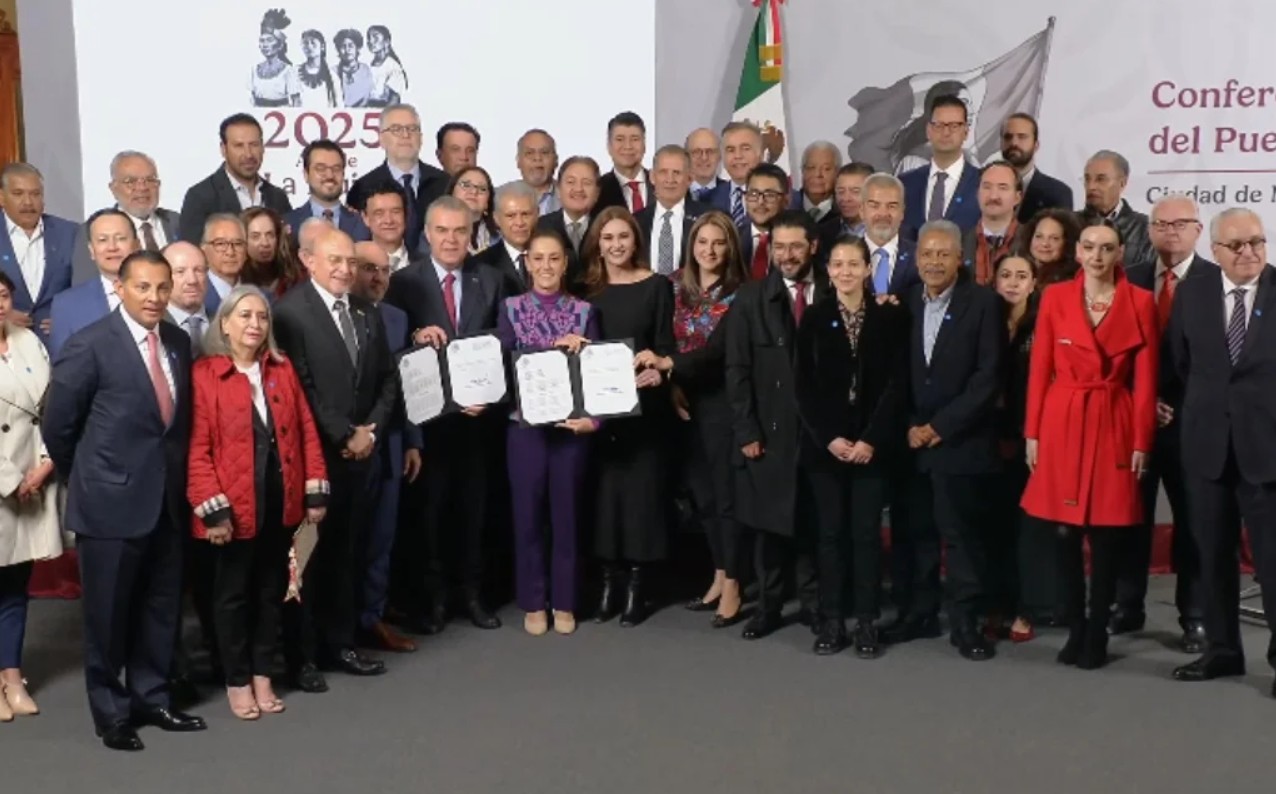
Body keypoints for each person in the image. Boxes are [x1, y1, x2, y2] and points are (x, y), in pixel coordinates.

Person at [43, 250, 205, 751]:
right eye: (143, 287)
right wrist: (90, 478)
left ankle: (152, 697)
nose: (155, 297)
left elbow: (175, 424)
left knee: (160, 610)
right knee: (108, 615)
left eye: (162, 287)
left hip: (166, 503)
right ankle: (111, 712)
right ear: (119, 288)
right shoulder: (89, 345)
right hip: (109, 504)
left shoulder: (177, 341)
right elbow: (58, 426)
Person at [1021, 219, 1158, 670]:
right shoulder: (1056, 297)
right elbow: (1040, 368)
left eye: (1107, 248)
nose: (1097, 256)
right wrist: (1033, 433)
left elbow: (1146, 381)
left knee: (1106, 533)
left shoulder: (1140, 301)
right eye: (1089, 247)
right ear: (1076, 252)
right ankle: (1074, 627)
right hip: (1062, 417)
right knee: (1062, 531)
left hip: (1113, 417)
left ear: (1120, 254)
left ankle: (1097, 628)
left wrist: (1142, 439)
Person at [187, 285, 329, 720]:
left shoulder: (280, 369)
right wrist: (213, 510)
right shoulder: (205, 374)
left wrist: (314, 490)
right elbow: (197, 450)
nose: (254, 324)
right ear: (224, 323)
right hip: (231, 508)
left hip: (281, 501)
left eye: (261, 317)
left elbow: (305, 430)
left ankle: (264, 674)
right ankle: (236, 680)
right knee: (231, 599)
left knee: (273, 593)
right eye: (244, 316)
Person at [272, 227, 397, 678]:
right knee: (305, 561)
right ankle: (302, 656)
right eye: (335, 261)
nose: (346, 270)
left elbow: (387, 378)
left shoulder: (366, 310)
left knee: (348, 555)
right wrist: (345, 434)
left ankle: (340, 645)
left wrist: (372, 432)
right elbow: (299, 387)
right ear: (309, 260)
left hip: (362, 457)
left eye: (351, 261)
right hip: (315, 459)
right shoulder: (289, 313)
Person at [384, 196, 506, 634]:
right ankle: (434, 599)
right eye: (443, 231)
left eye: (460, 231)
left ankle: (472, 595)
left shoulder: (491, 279)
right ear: (427, 234)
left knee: (475, 511)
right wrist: (417, 334)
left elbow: (504, 338)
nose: (452, 239)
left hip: (478, 421)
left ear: (471, 234)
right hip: (430, 423)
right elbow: (393, 345)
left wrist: (483, 384)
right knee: (430, 515)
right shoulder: (403, 282)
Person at [1166, 208, 1276, 692]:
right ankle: (1222, 652)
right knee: (1211, 557)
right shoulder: (1193, 292)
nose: (1249, 251)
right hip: (1208, 447)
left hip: (1268, 450)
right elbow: (1182, 363)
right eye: (1237, 245)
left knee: (1273, 564)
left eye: (1257, 241)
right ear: (1215, 251)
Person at [888, 220, 1003, 661]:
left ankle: (965, 623)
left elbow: (987, 378)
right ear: (916, 260)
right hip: (909, 442)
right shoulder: (904, 304)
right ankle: (916, 613)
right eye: (927, 255)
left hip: (960, 442)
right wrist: (908, 427)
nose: (934, 262)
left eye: (943, 254)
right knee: (912, 532)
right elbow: (894, 374)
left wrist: (939, 427)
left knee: (961, 537)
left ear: (960, 258)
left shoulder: (983, 304)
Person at [795, 235, 909, 658]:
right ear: (828, 270)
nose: (845, 271)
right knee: (829, 536)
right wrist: (829, 439)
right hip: (827, 449)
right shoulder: (814, 317)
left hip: (871, 447)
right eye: (837, 264)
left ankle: (865, 621)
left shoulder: (889, 318)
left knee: (864, 536)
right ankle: (831, 620)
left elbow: (897, 385)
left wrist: (870, 440)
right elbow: (802, 387)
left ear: (867, 269)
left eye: (853, 264)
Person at [635, 211, 747, 627]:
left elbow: (718, 352)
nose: (710, 250)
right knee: (702, 497)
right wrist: (671, 383)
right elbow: (663, 338)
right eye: (703, 242)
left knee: (725, 497)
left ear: (730, 247)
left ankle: (735, 582)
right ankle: (719, 574)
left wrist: (670, 365)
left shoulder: (740, 293)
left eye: (718, 243)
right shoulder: (675, 286)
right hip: (681, 402)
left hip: (720, 404)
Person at [725, 210, 829, 640]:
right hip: (767, 434)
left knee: (814, 524)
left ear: (813, 247)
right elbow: (737, 370)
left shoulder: (833, 291)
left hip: (820, 435)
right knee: (768, 528)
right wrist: (747, 432)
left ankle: (814, 605)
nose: (787, 255)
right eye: (779, 247)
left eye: (795, 246)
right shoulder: (751, 299)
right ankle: (767, 607)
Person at [1117, 196, 1215, 648]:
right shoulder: (1131, 279)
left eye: (1180, 224)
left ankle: (1194, 615)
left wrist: (1182, 402)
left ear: (1198, 230)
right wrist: (1143, 399)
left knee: (1194, 524)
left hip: (1193, 426)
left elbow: (1225, 362)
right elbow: (1116, 352)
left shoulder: (1218, 282)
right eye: (1161, 224)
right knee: (1129, 520)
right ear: (1150, 230)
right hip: (1135, 422)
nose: (1170, 232)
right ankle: (1127, 605)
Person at [496, 229, 599, 635]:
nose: (545, 266)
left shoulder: (584, 311)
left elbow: (597, 377)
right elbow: (503, 363)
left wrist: (596, 422)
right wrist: (552, 349)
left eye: (554, 258)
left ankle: (566, 601)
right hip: (525, 428)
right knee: (527, 517)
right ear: (526, 263)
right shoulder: (510, 308)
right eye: (537, 258)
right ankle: (534, 600)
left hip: (570, 431)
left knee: (567, 517)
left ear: (566, 262)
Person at [580, 206, 674, 627]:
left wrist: (658, 369)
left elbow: (665, 343)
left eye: (623, 236)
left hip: (644, 410)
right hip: (598, 416)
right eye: (607, 238)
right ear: (597, 244)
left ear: (635, 240)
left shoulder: (657, 286)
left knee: (640, 500)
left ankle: (638, 585)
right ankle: (607, 584)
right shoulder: (584, 292)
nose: (616, 245)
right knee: (603, 499)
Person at [0, 271, 59, 722]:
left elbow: (50, 407)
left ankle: (13, 675)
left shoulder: (28, 341)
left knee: (16, 588)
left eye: (3, 295)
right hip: (5, 482)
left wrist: (42, 466)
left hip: (34, 476)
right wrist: (11, 479)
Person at [989, 254, 1058, 643]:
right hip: (989, 436)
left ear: (1034, 283)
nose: (1013, 283)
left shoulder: (1044, 320)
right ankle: (997, 603)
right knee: (993, 526)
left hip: (1034, 438)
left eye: (1021, 276)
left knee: (1029, 529)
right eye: (1005, 275)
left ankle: (1027, 608)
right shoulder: (985, 319)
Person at [178, 113, 292, 243]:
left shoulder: (278, 197)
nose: (248, 154)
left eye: (254, 144)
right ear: (223, 149)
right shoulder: (200, 197)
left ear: (262, 147)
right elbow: (193, 253)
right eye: (239, 146)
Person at [0, 162, 76, 344]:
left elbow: (87, 286)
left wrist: (70, 317)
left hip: (60, 344)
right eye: (18, 194)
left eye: (35, 194)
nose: (28, 202)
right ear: (2, 198)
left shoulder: (71, 233)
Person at [47, 208, 138, 358]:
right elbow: (64, 367)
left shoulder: (160, 291)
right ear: (91, 251)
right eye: (102, 240)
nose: (112, 247)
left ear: (136, 245)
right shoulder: (66, 304)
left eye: (121, 238)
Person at [241, 207, 306, 300]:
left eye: (270, 235)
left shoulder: (296, 276)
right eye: (255, 236)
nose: (265, 243)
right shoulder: (236, 279)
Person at [1017, 208, 1081, 286]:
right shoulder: (1016, 269)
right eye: (1039, 236)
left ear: (1068, 243)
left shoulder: (1072, 281)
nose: (1045, 243)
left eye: (1054, 238)